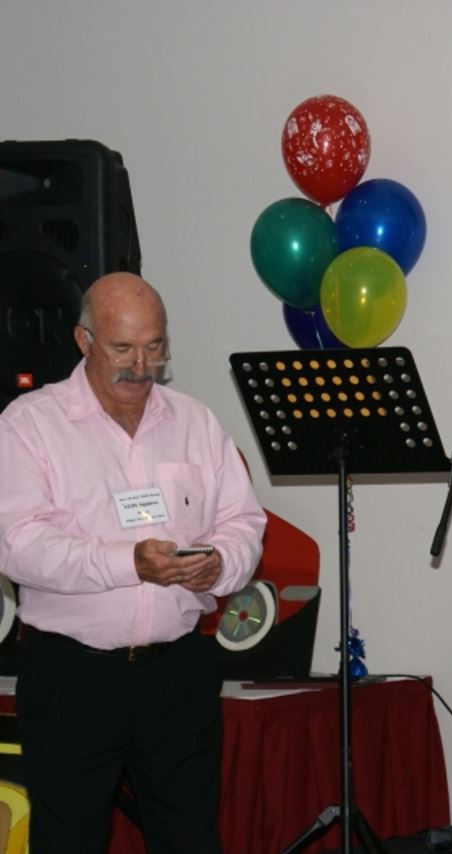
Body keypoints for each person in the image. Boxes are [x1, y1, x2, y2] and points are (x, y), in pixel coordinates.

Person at [0, 272, 266, 853]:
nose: (141, 366)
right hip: (72, 677)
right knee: (68, 840)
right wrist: (130, 564)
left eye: (155, 347)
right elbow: (18, 544)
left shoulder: (196, 422)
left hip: (177, 675)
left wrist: (220, 562)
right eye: (123, 348)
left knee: (191, 838)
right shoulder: (30, 424)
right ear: (84, 340)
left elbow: (245, 522)